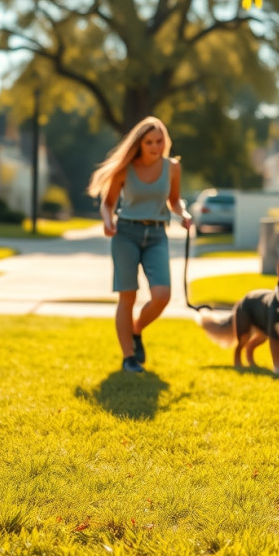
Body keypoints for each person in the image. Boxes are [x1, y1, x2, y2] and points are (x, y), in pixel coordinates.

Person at [87, 116, 192, 373]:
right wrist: (107, 220)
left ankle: (136, 329)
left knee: (162, 295)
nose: (155, 147)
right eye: (149, 142)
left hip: (157, 235)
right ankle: (128, 357)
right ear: (140, 143)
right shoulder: (126, 168)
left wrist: (184, 214)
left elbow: (175, 200)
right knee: (128, 296)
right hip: (126, 234)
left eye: (159, 141)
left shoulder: (172, 168)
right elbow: (108, 203)